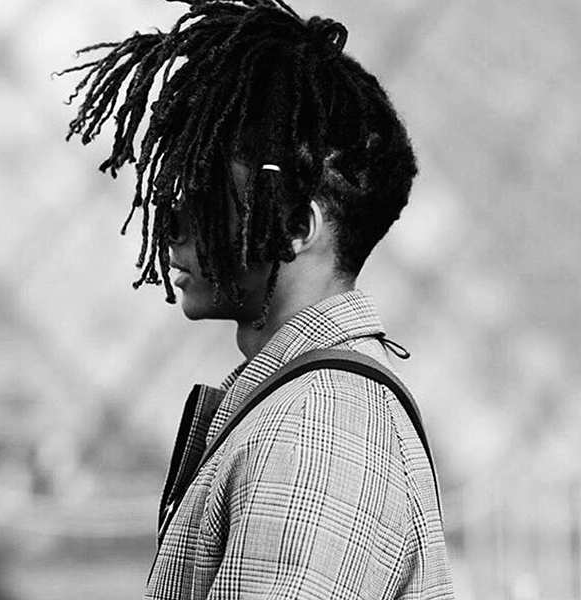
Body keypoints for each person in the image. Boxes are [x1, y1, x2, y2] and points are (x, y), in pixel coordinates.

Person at [61, 0, 455, 597]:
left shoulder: (315, 435)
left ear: (296, 228)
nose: (171, 225)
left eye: (204, 198)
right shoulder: (304, 405)